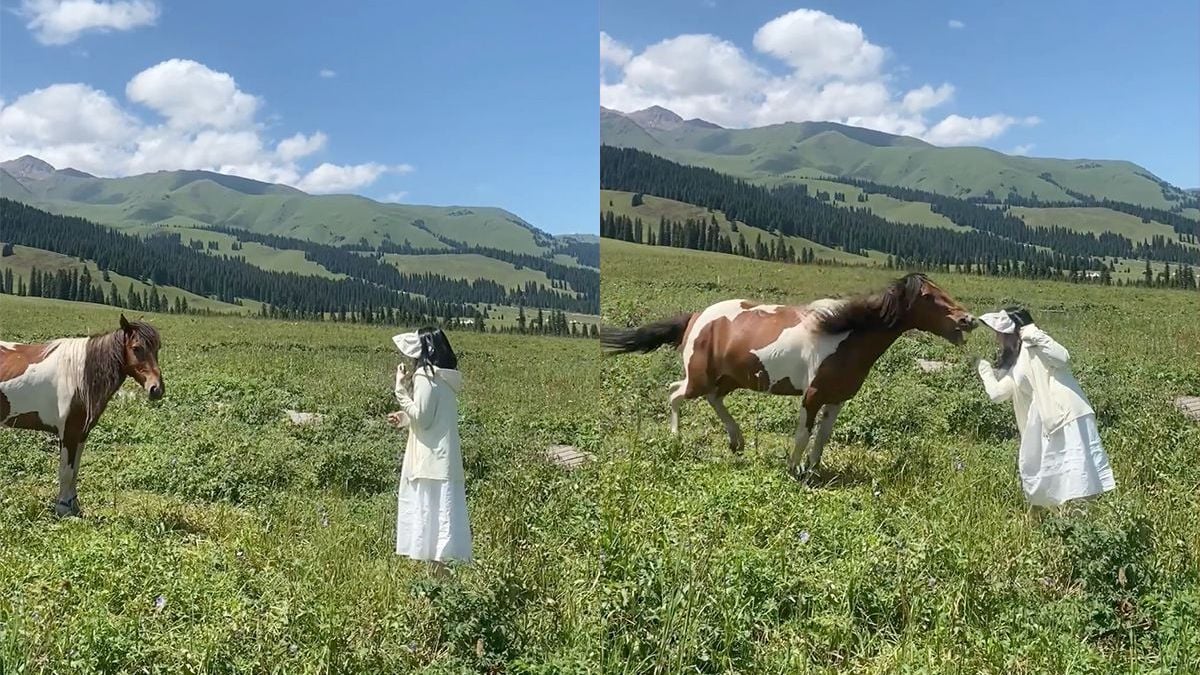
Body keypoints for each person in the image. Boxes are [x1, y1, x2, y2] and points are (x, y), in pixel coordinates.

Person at [974, 306, 1116, 508]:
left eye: (999, 334)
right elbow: (997, 394)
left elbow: (1063, 358)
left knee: (1078, 482)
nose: (997, 339)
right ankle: (1070, 526)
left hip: (1069, 414)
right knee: (1060, 481)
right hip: (1052, 421)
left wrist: (1033, 332)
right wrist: (984, 369)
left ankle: (1082, 528)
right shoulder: (1017, 364)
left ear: (1012, 332)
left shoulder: (1036, 345)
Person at [389, 326, 472, 568]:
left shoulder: (425, 376)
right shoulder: (444, 376)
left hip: (428, 464)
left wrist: (400, 390)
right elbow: (434, 417)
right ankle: (442, 587)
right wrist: (405, 419)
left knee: (429, 527)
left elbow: (424, 418)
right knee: (442, 529)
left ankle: (436, 590)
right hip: (445, 461)